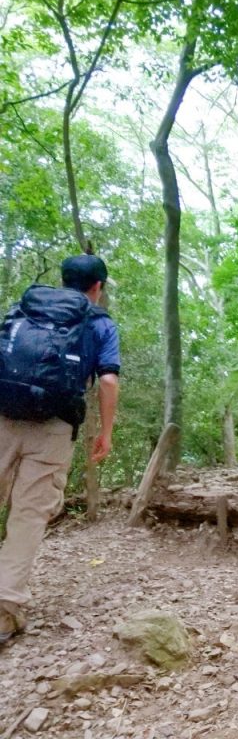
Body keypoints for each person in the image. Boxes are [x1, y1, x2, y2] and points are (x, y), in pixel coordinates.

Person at [0, 254, 121, 645]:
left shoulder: (24, 308)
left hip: (3, 413)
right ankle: (5, 609)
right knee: (29, 515)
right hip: (54, 426)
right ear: (97, 287)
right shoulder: (99, 322)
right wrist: (105, 432)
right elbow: (107, 382)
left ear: (64, 280)